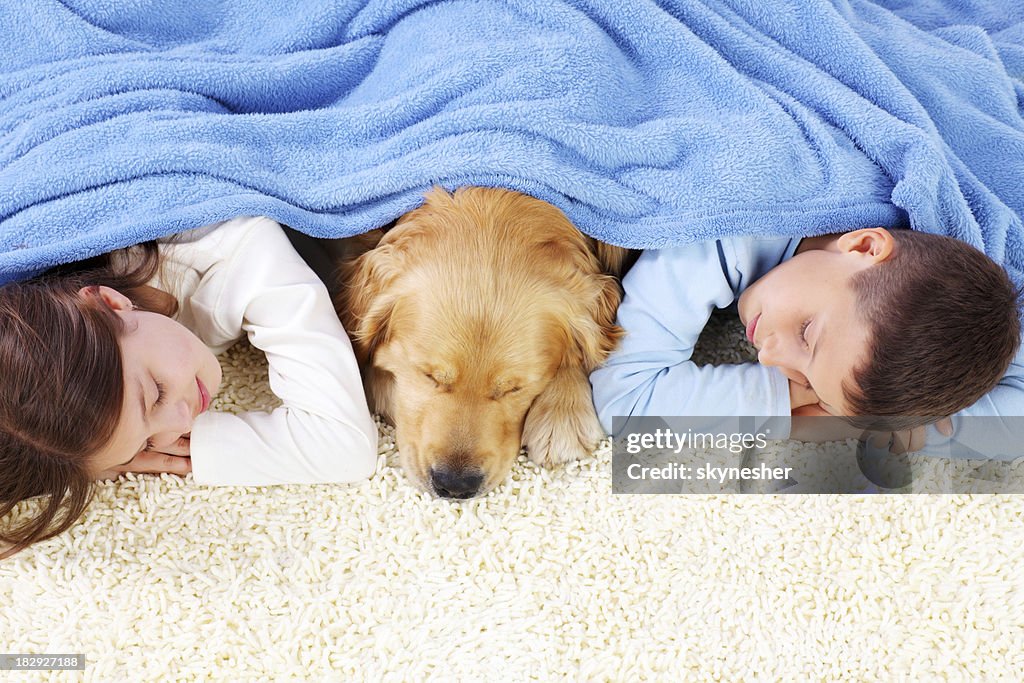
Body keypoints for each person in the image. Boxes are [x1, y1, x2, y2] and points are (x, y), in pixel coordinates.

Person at [0, 217, 378, 558]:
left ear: (110, 302)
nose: (184, 423)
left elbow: (346, 444)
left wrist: (201, 448)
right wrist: (94, 458)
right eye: (147, 445)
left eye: (157, 392)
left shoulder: (236, 253)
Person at [590, 227, 1024, 453]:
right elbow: (625, 404)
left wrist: (870, 415)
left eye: (806, 382)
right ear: (864, 245)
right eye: (807, 333)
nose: (768, 357)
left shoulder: (924, 288)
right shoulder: (729, 234)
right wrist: (778, 399)